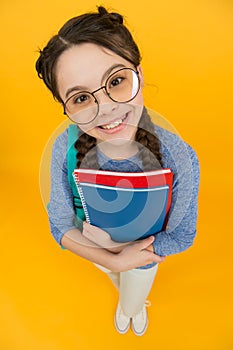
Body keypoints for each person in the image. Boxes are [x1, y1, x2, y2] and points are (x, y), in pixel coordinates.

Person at [36, 6, 200, 336]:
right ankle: (122, 289)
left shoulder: (178, 157)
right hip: (93, 247)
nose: (106, 107)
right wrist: (111, 260)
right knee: (115, 276)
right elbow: (60, 225)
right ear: (66, 108)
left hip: (144, 257)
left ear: (138, 72)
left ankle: (132, 307)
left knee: (133, 292)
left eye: (116, 81)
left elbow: (182, 235)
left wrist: (128, 258)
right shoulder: (64, 151)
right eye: (81, 97)